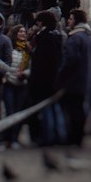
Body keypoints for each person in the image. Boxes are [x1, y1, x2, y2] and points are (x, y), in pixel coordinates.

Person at [58, 8, 91, 147]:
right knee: (80, 110)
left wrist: (61, 78)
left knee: (73, 112)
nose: (68, 21)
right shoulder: (88, 38)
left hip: (73, 81)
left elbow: (70, 60)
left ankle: (73, 138)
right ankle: (78, 138)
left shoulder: (75, 38)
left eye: (71, 18)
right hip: (84, 80)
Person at [26, 11, 64, 146]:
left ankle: (48, 137)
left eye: (38, 21)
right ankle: (58, 135)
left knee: (45, 109)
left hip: (42, 80)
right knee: (54, 108)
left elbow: (41, 62)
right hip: (54, 78)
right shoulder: (57, 36)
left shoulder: (43, 38)